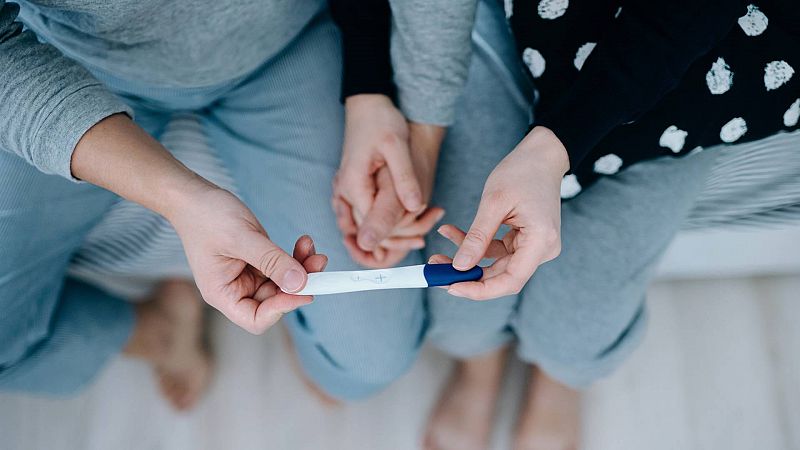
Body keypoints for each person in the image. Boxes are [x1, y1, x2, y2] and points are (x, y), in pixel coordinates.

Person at [331, 0, 800, 448]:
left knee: (576, 335)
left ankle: (558, 380)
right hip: (510, 30)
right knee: (460, 309)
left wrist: (553, 147)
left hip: (688, 83)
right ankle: (479, 367)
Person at [0, 0, 439, 408]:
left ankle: (299, 327)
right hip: (62, 68)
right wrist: (181, 199)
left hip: (282, 46)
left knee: (368, 363)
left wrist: (372, 93)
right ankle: (162, 333)